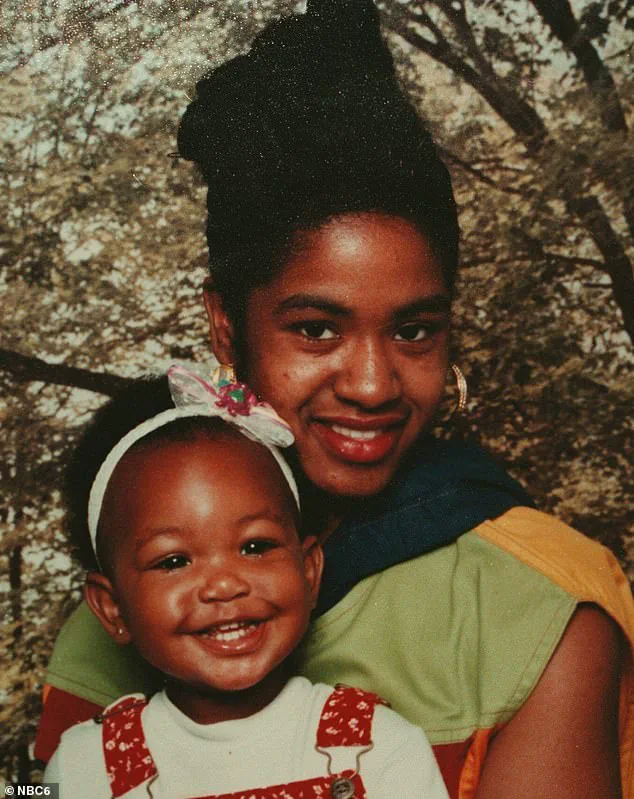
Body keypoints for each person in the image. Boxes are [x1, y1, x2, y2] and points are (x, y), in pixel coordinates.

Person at [37, 2, 634, 797]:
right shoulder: (135, 588)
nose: (373, 384)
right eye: (316, 329)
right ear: (225, 324)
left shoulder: (539, 602)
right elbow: (39, 786)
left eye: (414, 330)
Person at [44, 365, 449, 798]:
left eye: (255, 546)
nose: (224, 585)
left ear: (309, 571)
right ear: (112, 609)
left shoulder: (378, 746)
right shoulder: (84, 767)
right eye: (174, 561)